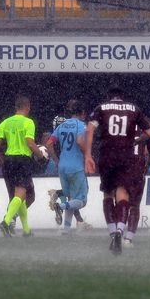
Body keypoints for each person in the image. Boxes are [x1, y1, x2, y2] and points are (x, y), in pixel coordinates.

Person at [84, 84, 150, 255]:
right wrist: (136, 141)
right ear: (122, 97)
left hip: (107, 155)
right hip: (126, 157)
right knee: (123, 194)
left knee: (108, 194)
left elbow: (90, 129)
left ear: (110, 97)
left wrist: (88, 155)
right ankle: (121, 231)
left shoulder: (101, 108)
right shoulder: (134, 109)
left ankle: (112, 231)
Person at [0, 95, 46, 237]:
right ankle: (6, 222)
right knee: (21, 193)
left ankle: (26, 230)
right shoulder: (28, 122)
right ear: (27, 107)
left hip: (8, 160)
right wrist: (40, 155)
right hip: (22, 160)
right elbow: (30, 142)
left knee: (19, 196)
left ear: (16, 107)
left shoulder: (5, 123)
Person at [45, 99, 89, 234]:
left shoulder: (61, 126)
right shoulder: (82, 126)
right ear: (81, 113)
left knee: (71, 197)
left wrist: (57, 160)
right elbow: (81, 142)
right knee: (81, 200)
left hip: (62, 166)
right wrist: (87, 155)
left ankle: (66, 229)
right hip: (75, 166)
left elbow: (49, 144)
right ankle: (60, 206)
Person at [123, 125, 150, 247]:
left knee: (121, 203)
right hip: (138, 171)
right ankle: (128, 239)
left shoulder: (122, 129)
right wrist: (146, 167)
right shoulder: (146, 132)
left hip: (123, 171)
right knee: (134, 205)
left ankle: (118, 232)